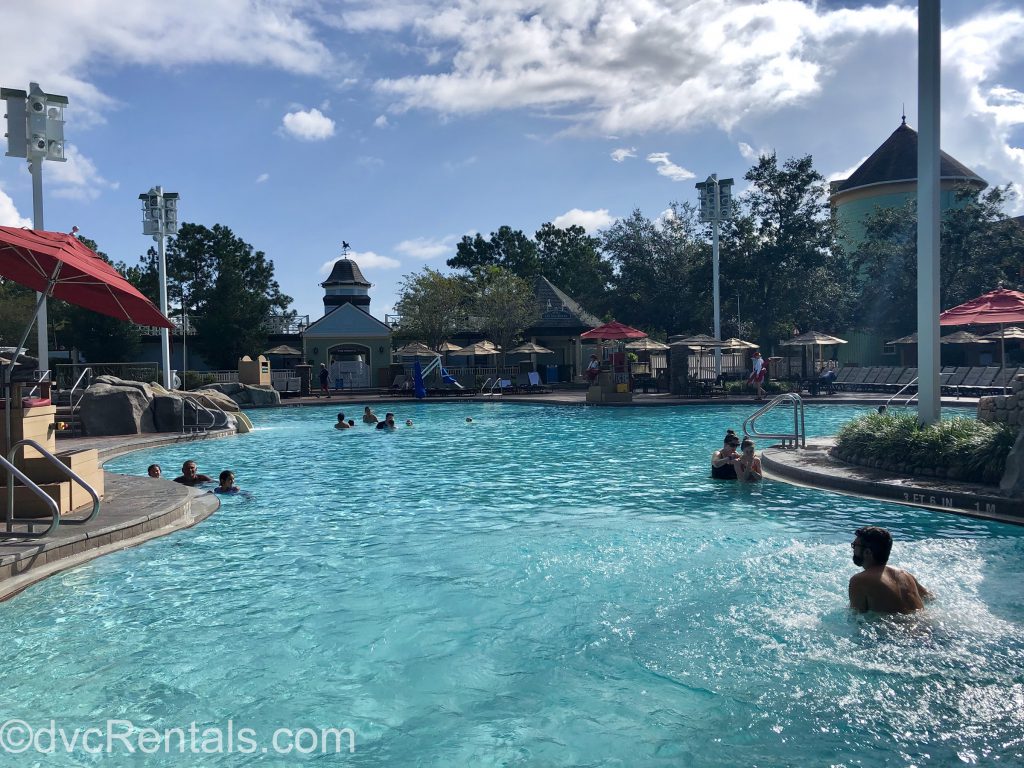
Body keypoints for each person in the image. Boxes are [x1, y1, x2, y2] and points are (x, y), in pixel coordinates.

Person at [849, 526, 931, 614]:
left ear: (867, 552)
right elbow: (929, 598)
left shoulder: (860, 580)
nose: (853, 549)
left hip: (898, 627)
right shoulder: (905, 574)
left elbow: (856, 617)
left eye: (854, 546)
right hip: (928, 624)